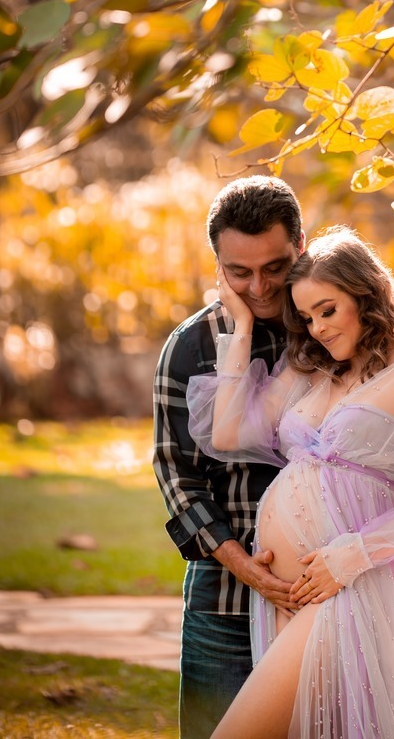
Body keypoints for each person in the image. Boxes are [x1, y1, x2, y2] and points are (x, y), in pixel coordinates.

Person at [187, 226, 394, 739]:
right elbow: (228, 431)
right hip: (290, 593)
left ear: (365, 293)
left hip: (351, 584)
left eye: (327, 310)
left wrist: (349, 557)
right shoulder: (316, 369)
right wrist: (240, 324)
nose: (319, 328)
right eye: (307, 317)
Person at [152, 176, 305, 738]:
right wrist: (244, 566)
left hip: (321, 599)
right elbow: (177, 474)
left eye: (275, 267)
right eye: (240, 272)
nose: (259, 287)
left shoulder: (333, 328)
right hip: (224, 604)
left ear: (302, 245)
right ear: (217, 262)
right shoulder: (191, 345)